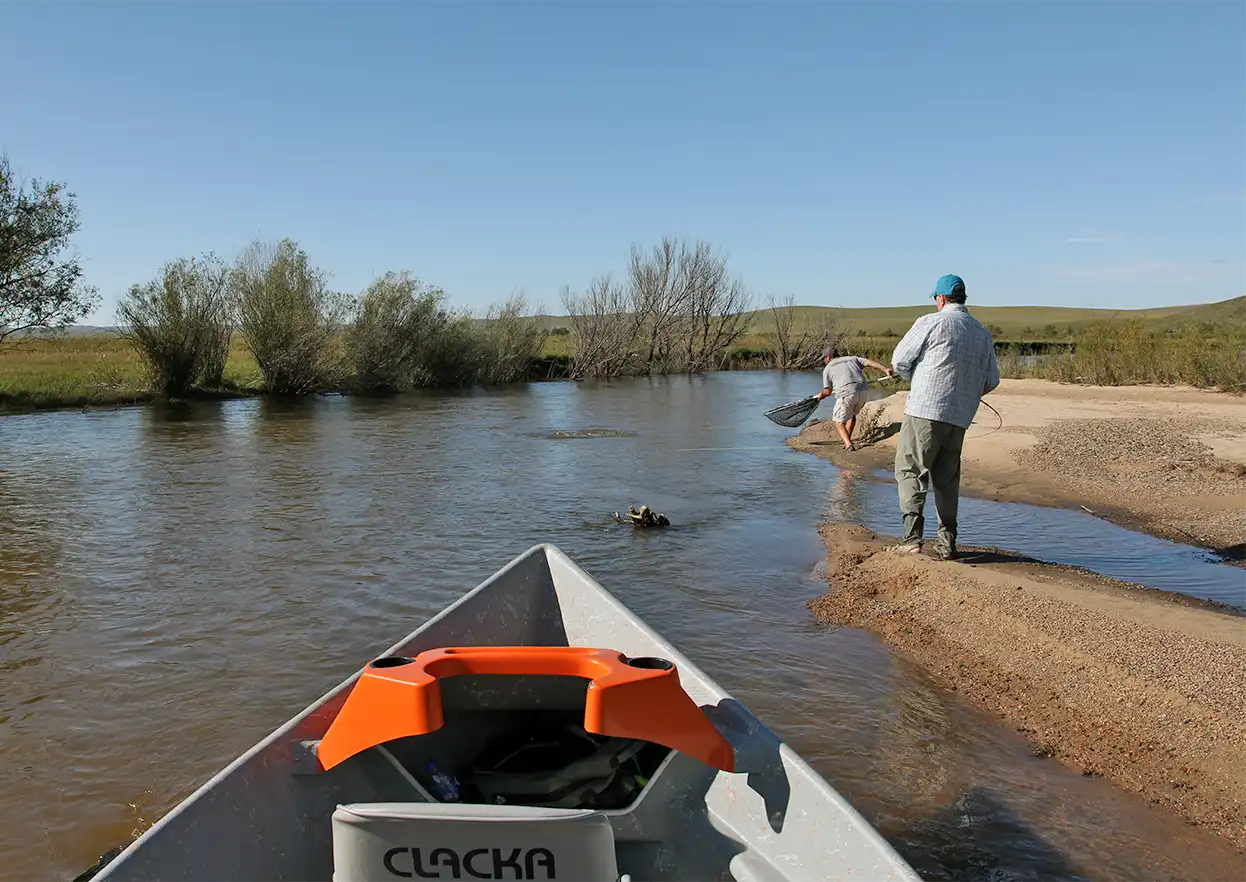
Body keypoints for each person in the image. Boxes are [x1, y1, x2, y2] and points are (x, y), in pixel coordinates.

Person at [888, 274, 1000, 560]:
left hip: (924, 409)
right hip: (960, 415)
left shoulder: (931, 321)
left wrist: (915, 380)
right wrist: (964, 392)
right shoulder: (982, 332)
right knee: (947, 480)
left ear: (940, 298)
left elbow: (899, 360)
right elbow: (992, 380)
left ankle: (911, 539)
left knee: (910, 471)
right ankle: (947, 544)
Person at [817, 346, 895, 451]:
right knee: (851, 415)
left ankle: (848, 445)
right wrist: (885, 369)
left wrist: (821, 395)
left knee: (839, 422)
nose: (824, 360)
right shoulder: (853, 359)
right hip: (863, 392)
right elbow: (869, 363)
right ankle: (847, 440)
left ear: (828, 357)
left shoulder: (827, 368)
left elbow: (828, 392)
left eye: (824, 358)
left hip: (846, 394)